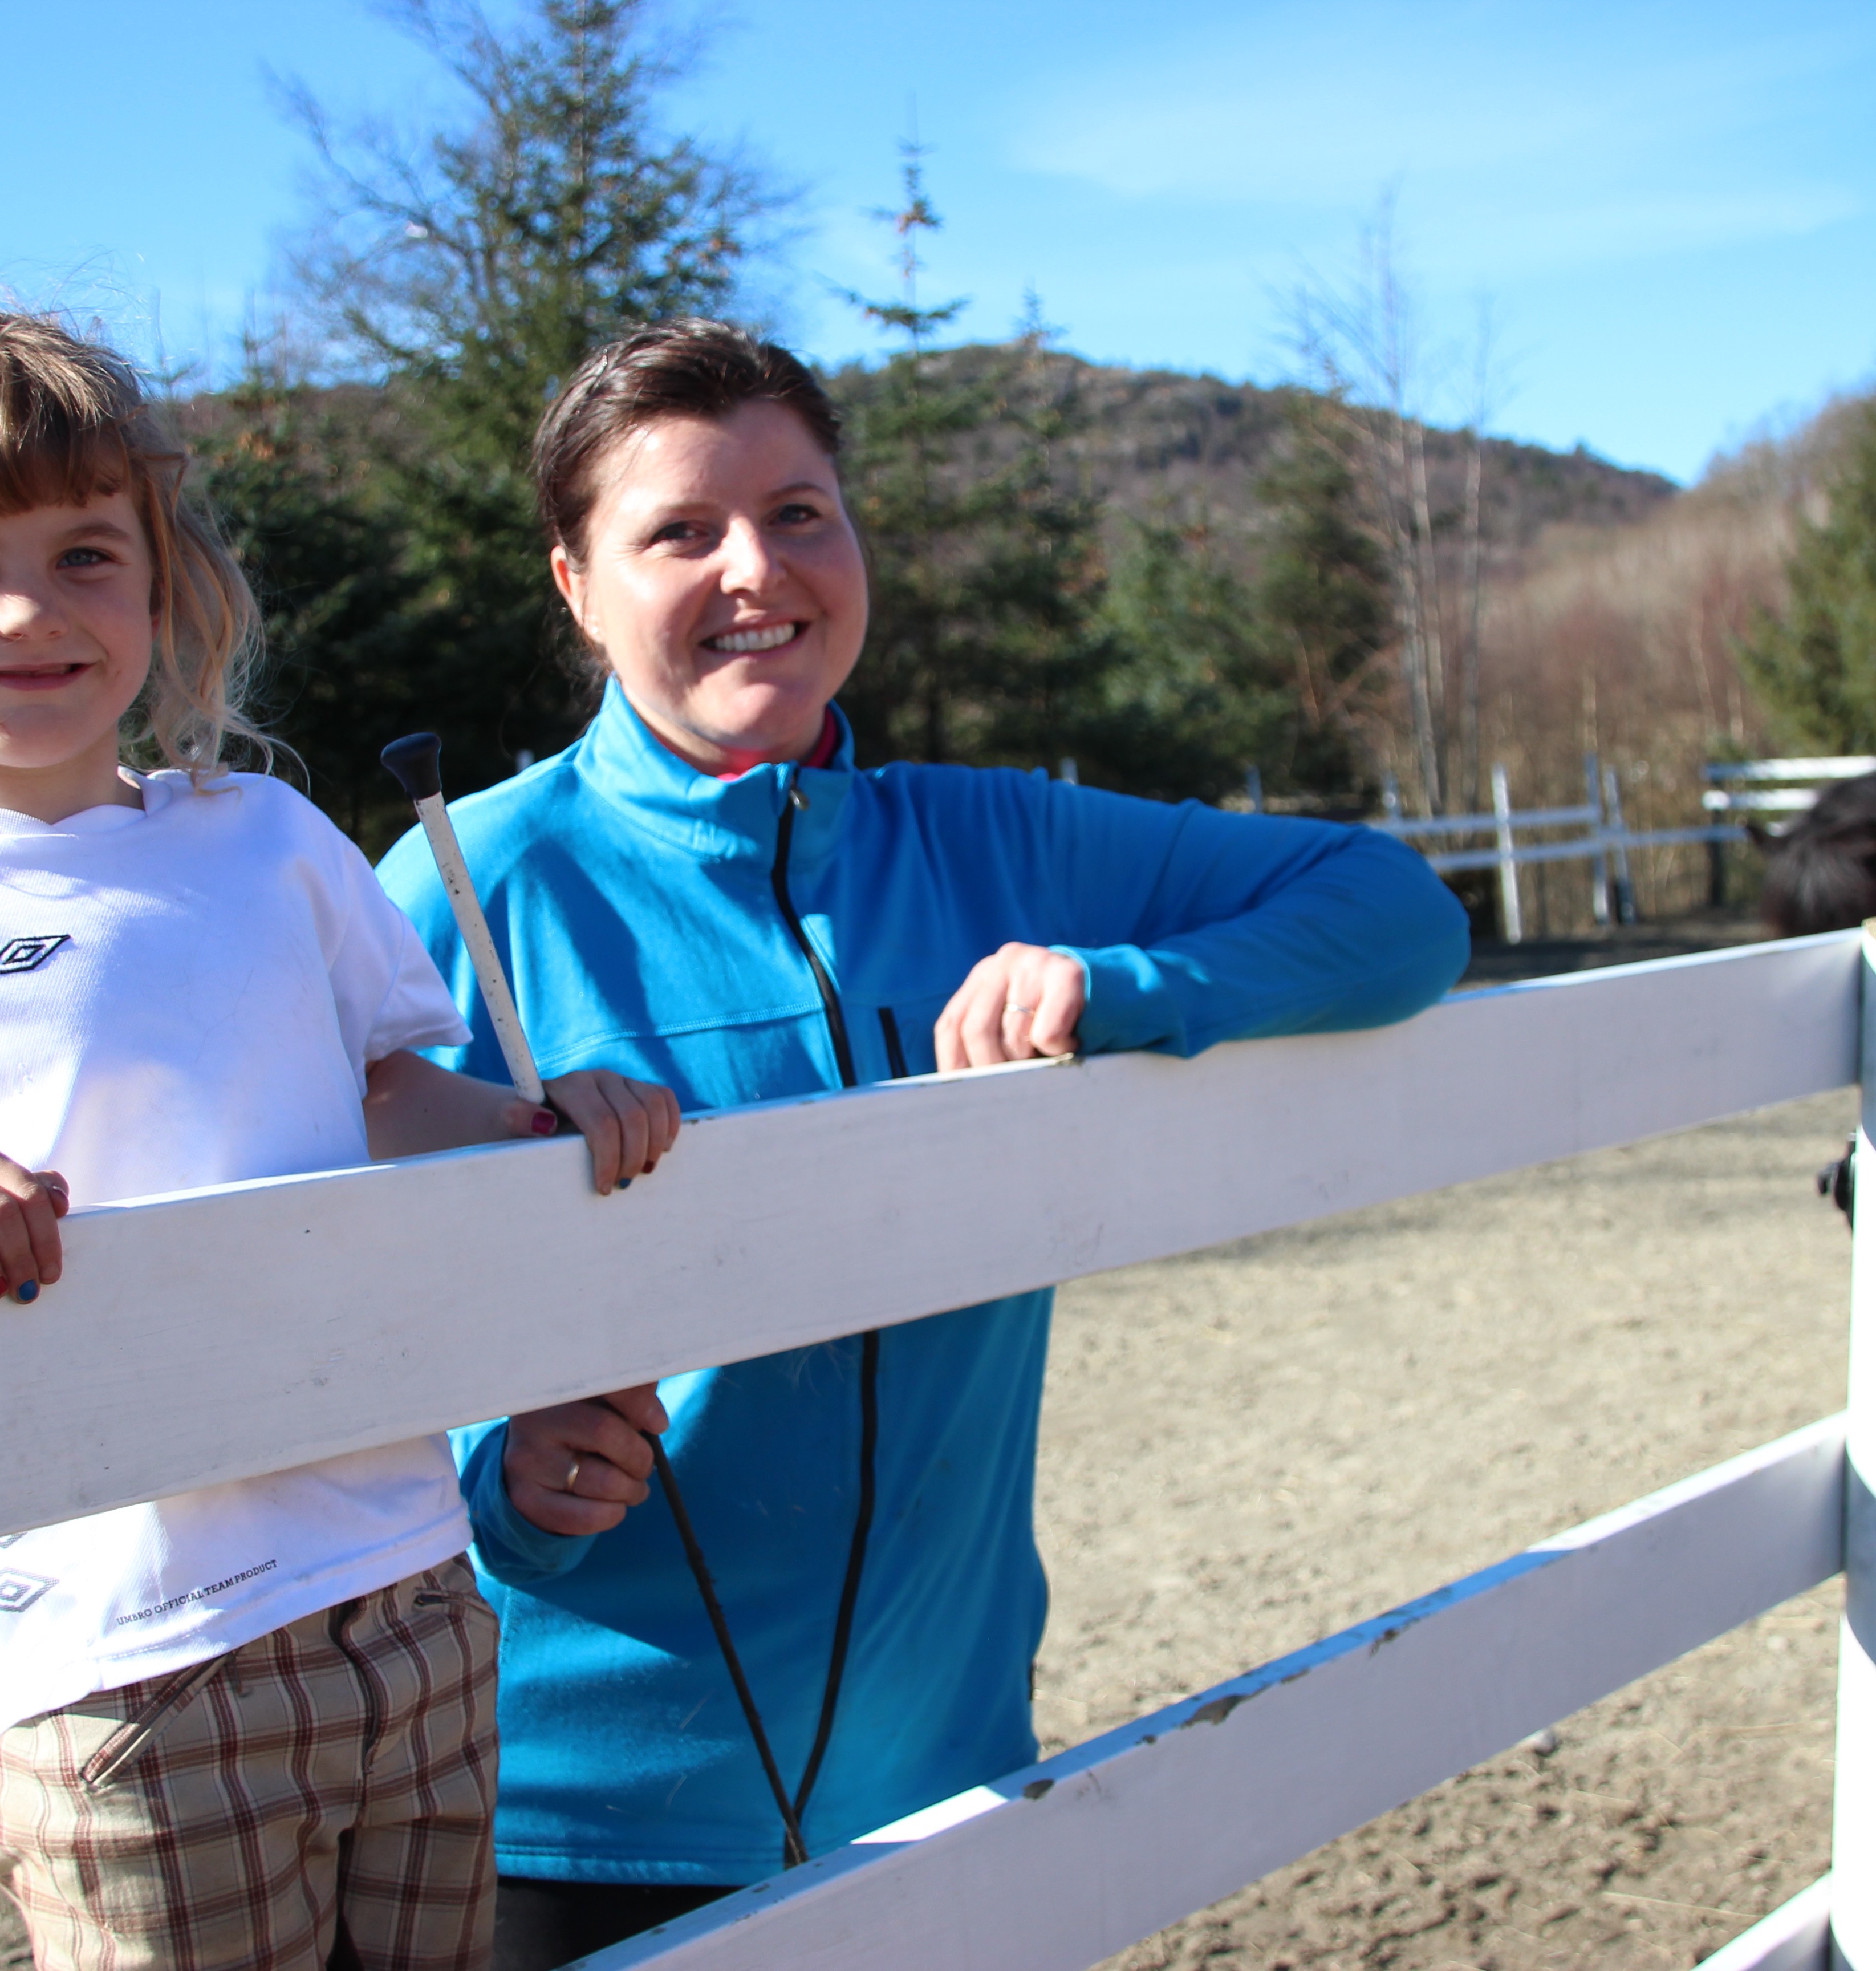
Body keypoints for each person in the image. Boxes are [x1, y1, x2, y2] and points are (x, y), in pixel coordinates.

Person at [374, 319, 1471, 1970]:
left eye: (798, 513)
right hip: (572, 1814)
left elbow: (1395, 912)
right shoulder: (473, 887)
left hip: (945, 1770)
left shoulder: (995, 840)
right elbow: (318, 1291)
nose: (757, 569)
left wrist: (1118, 986)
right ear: (576, 585)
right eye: (681, 531)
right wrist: (502, 1475)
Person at [0, 305, 683, 1971]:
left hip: (414, 1592)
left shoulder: (269, 842)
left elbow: (383, 1095)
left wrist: (543, 1118)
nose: (28, 610)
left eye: (85, 554)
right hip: (134, 1654)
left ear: (162, 585)